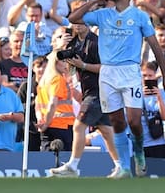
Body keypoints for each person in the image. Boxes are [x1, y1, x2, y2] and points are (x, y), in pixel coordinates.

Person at [69, 0, 165, 178]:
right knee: (116, 122)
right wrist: (95, 1)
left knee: (134, 121)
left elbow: (155, 46)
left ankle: (139, 152)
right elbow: (73, 18)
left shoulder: (140, 16)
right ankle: (124, 167)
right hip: (107, 73)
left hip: (130, 71)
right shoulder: (102, 14)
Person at [49, 21, 120, 177]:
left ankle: (73, 166)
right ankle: (121, 166)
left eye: (81, 22)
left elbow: (107, 68)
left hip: (99, 91)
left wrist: (83, 65)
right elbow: (67, 69)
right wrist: (62, 48)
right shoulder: (74, 42)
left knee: (78, 126)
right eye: (75, 22)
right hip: (90, 91)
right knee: (106, 132)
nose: (78, 25)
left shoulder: (95, 42)